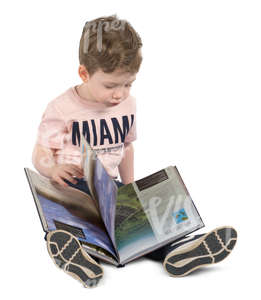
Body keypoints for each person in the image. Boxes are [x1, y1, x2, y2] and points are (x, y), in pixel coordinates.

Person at [32, 15, 237, 288]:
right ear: (84, 73)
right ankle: (79, 253)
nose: (119, 94)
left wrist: (130, 187)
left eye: (128, 84)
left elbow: (126, 147)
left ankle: (178, 250)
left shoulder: (127, 105)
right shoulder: (62, 107)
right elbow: (41, 151)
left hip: (109, 189)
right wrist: (53, 168)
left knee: (141, 226)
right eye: (110, 85)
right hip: (71, 187)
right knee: (78, 223)